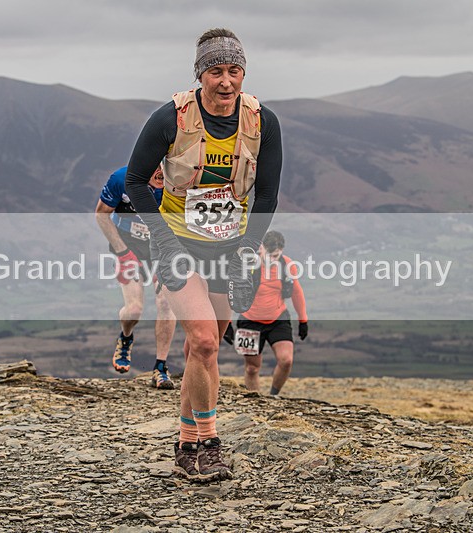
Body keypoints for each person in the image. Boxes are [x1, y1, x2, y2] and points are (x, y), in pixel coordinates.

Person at [125, 28, 282, 482]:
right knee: (206, 340)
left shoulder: (262, 122)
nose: (226, 81)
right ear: (200, 75)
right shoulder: (169, 118)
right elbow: (136, 182)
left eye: (234, 70)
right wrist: (164, 239)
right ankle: (210, 444)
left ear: (244, 73)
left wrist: (247, 249)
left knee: (201, 348)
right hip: (176, 242)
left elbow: (267, 194)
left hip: (229, 246)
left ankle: (186, 442)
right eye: (216, 71)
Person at [95, 165, 177, 389]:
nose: (161, 175)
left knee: (165, 302)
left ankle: (161, 367)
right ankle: (126, 336)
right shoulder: (122, 178)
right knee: (134, 310)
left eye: (165, 169)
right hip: (129, 245)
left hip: (163, 248)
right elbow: (101, 214)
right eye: (155, 170)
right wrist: (122, 252)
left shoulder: (180, 181)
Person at [223, 230, 308, 396]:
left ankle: (273, 395)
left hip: (278, 318)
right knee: (252, 368)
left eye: (276, 255)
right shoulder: (247, 265)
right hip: (249, 321)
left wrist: (303, 320)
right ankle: (254, 400)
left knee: (286, 361)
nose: (272, 259)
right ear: (261, 248)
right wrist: (227, 323)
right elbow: (232, 293)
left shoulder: (287, 265)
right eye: (270, 255)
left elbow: (297, 292)